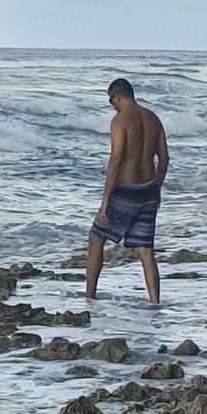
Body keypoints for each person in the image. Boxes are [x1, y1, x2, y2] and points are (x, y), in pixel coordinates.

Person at [84, 74, 168, 308]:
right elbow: (164, 159)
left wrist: (105, 201)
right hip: (148, 190)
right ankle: (154, 303)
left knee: (96, 238)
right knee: (146, 250)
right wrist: (157, 187)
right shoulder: (153, 119)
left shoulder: (119, 121)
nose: (112, 106)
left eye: (111, 101)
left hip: (125, 191)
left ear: (117, 98)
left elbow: (116, 160)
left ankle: (89, 296)